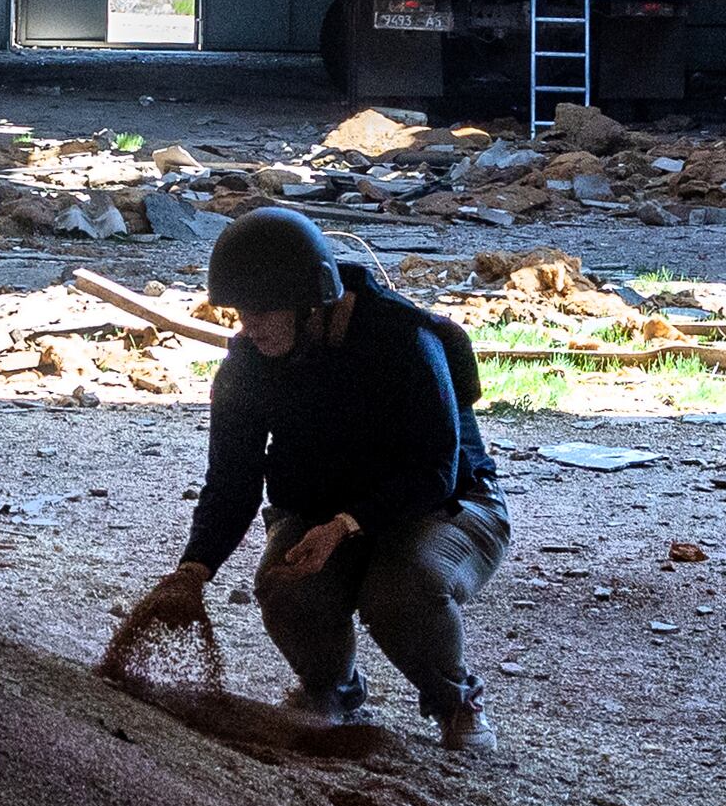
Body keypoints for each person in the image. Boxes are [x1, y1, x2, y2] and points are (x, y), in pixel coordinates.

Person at [127, 207, 510, 749]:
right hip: (324, 509)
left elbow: (435, 470)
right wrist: (195, 567)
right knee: (287, 584)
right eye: (240, 312)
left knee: (400, 591)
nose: (247, 327)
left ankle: (457, 701)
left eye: (262, 312)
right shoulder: (249, 363)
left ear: (313, 304)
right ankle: (330, 688)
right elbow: (232, 478)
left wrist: (346, 527)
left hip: (447, 505)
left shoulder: (406, 341)